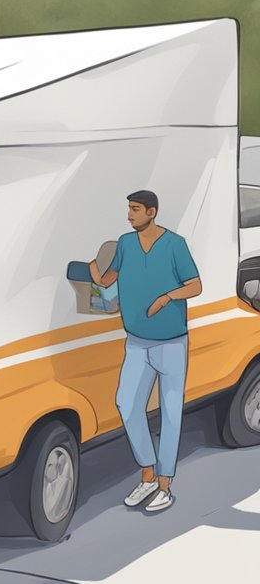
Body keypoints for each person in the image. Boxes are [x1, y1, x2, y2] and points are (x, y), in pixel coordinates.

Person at [90, 190, 201, 514]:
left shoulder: (174, 245)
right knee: (127, 403)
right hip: (137, 342)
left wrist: (166, 297)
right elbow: (110, 278)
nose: (129, 215)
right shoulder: (125, 243)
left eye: (135, 210)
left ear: (151, 212)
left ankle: (164, 484)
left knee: (169, 413)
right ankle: (147, 473)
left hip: (171, 343)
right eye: (129, 209)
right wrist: (96, 275)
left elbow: (195, 286)